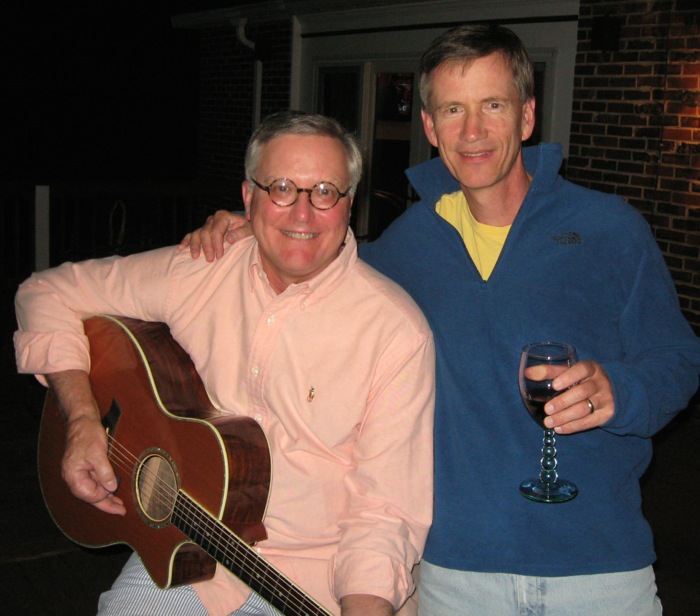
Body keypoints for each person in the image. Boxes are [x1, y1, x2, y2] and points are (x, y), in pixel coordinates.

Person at [180, 25, 700, 615]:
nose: (472, 131)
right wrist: (255, 228)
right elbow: (315, 262)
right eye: (453, 110)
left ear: (527, 117)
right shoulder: (400, 251)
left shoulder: (610, 228)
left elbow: (679, 360)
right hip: (454, 573)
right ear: (430, 127)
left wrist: (622, 390)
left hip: (599, 567)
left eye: (493, 105)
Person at [14, 111, 435, 616]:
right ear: (248, 197)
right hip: (197, 552)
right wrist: (84, 420)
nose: (303, 215)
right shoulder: (201, 270)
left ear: (349, 204)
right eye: (281, 188)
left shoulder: (395, 332)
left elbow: (384, 513)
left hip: (321, 579)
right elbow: (45, 291)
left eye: (325, 191)